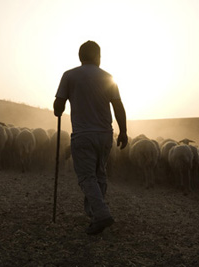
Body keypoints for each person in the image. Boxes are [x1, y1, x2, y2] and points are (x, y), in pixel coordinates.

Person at [53, 40, 128, 235]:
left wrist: (59, 107)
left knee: (87, 177)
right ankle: (94, 215)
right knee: (100, 174)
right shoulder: (108, 77)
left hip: (83, 134)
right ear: (98, 57)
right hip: (105, 134)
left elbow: (58, 107)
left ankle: (101, 213)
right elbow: (118, 106)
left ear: (80, 57)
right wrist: (124, 131)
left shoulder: (69, 75)